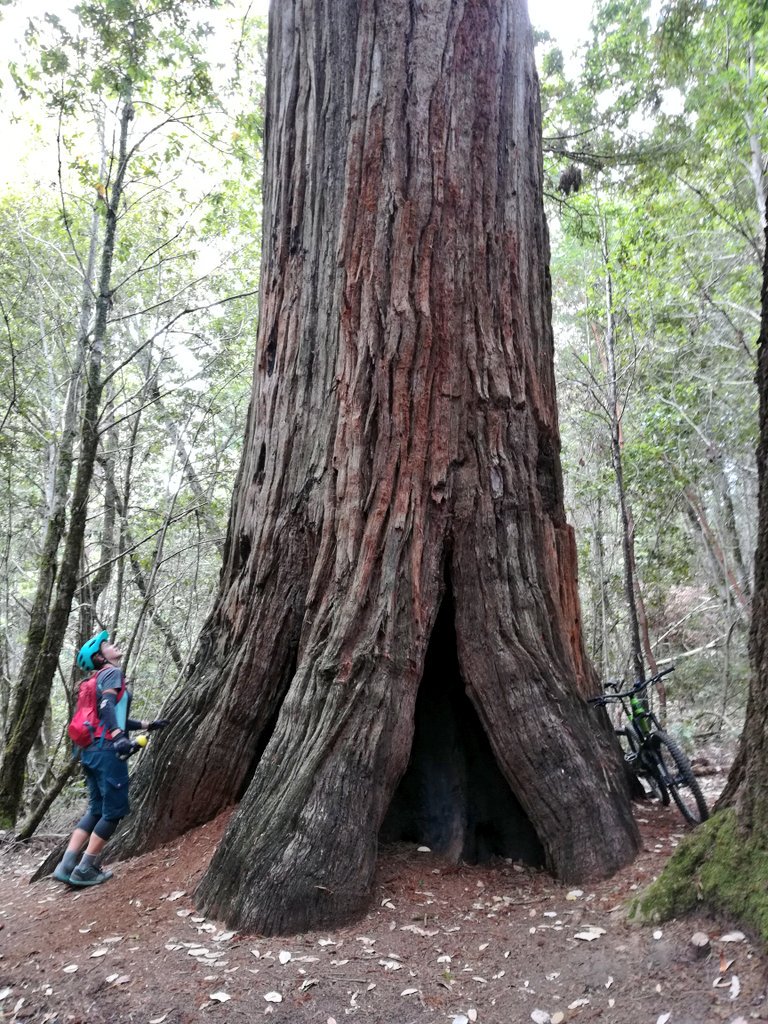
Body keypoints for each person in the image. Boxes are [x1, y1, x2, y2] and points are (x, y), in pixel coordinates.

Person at [52, 630, 169, 887]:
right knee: (113, 811)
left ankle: (67, 864)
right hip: (107, 751)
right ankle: (85, 868)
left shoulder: (98, 679)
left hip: (90, 751)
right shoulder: (113, 673)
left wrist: (148, 724)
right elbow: (107, 708)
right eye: (106, 645)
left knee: (95, 809)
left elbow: (113, 715)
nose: (113, 645)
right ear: (99, 657)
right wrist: (117, 736)